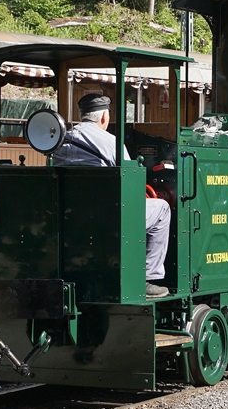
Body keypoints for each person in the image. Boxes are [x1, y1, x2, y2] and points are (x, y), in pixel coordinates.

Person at [55, 93, 172, 298]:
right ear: (103, 118)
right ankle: (147, 277)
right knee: (161, 208)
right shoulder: (111, 142)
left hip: (67, 215)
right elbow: (131, 188)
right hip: (106, 216)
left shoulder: (61, 141)